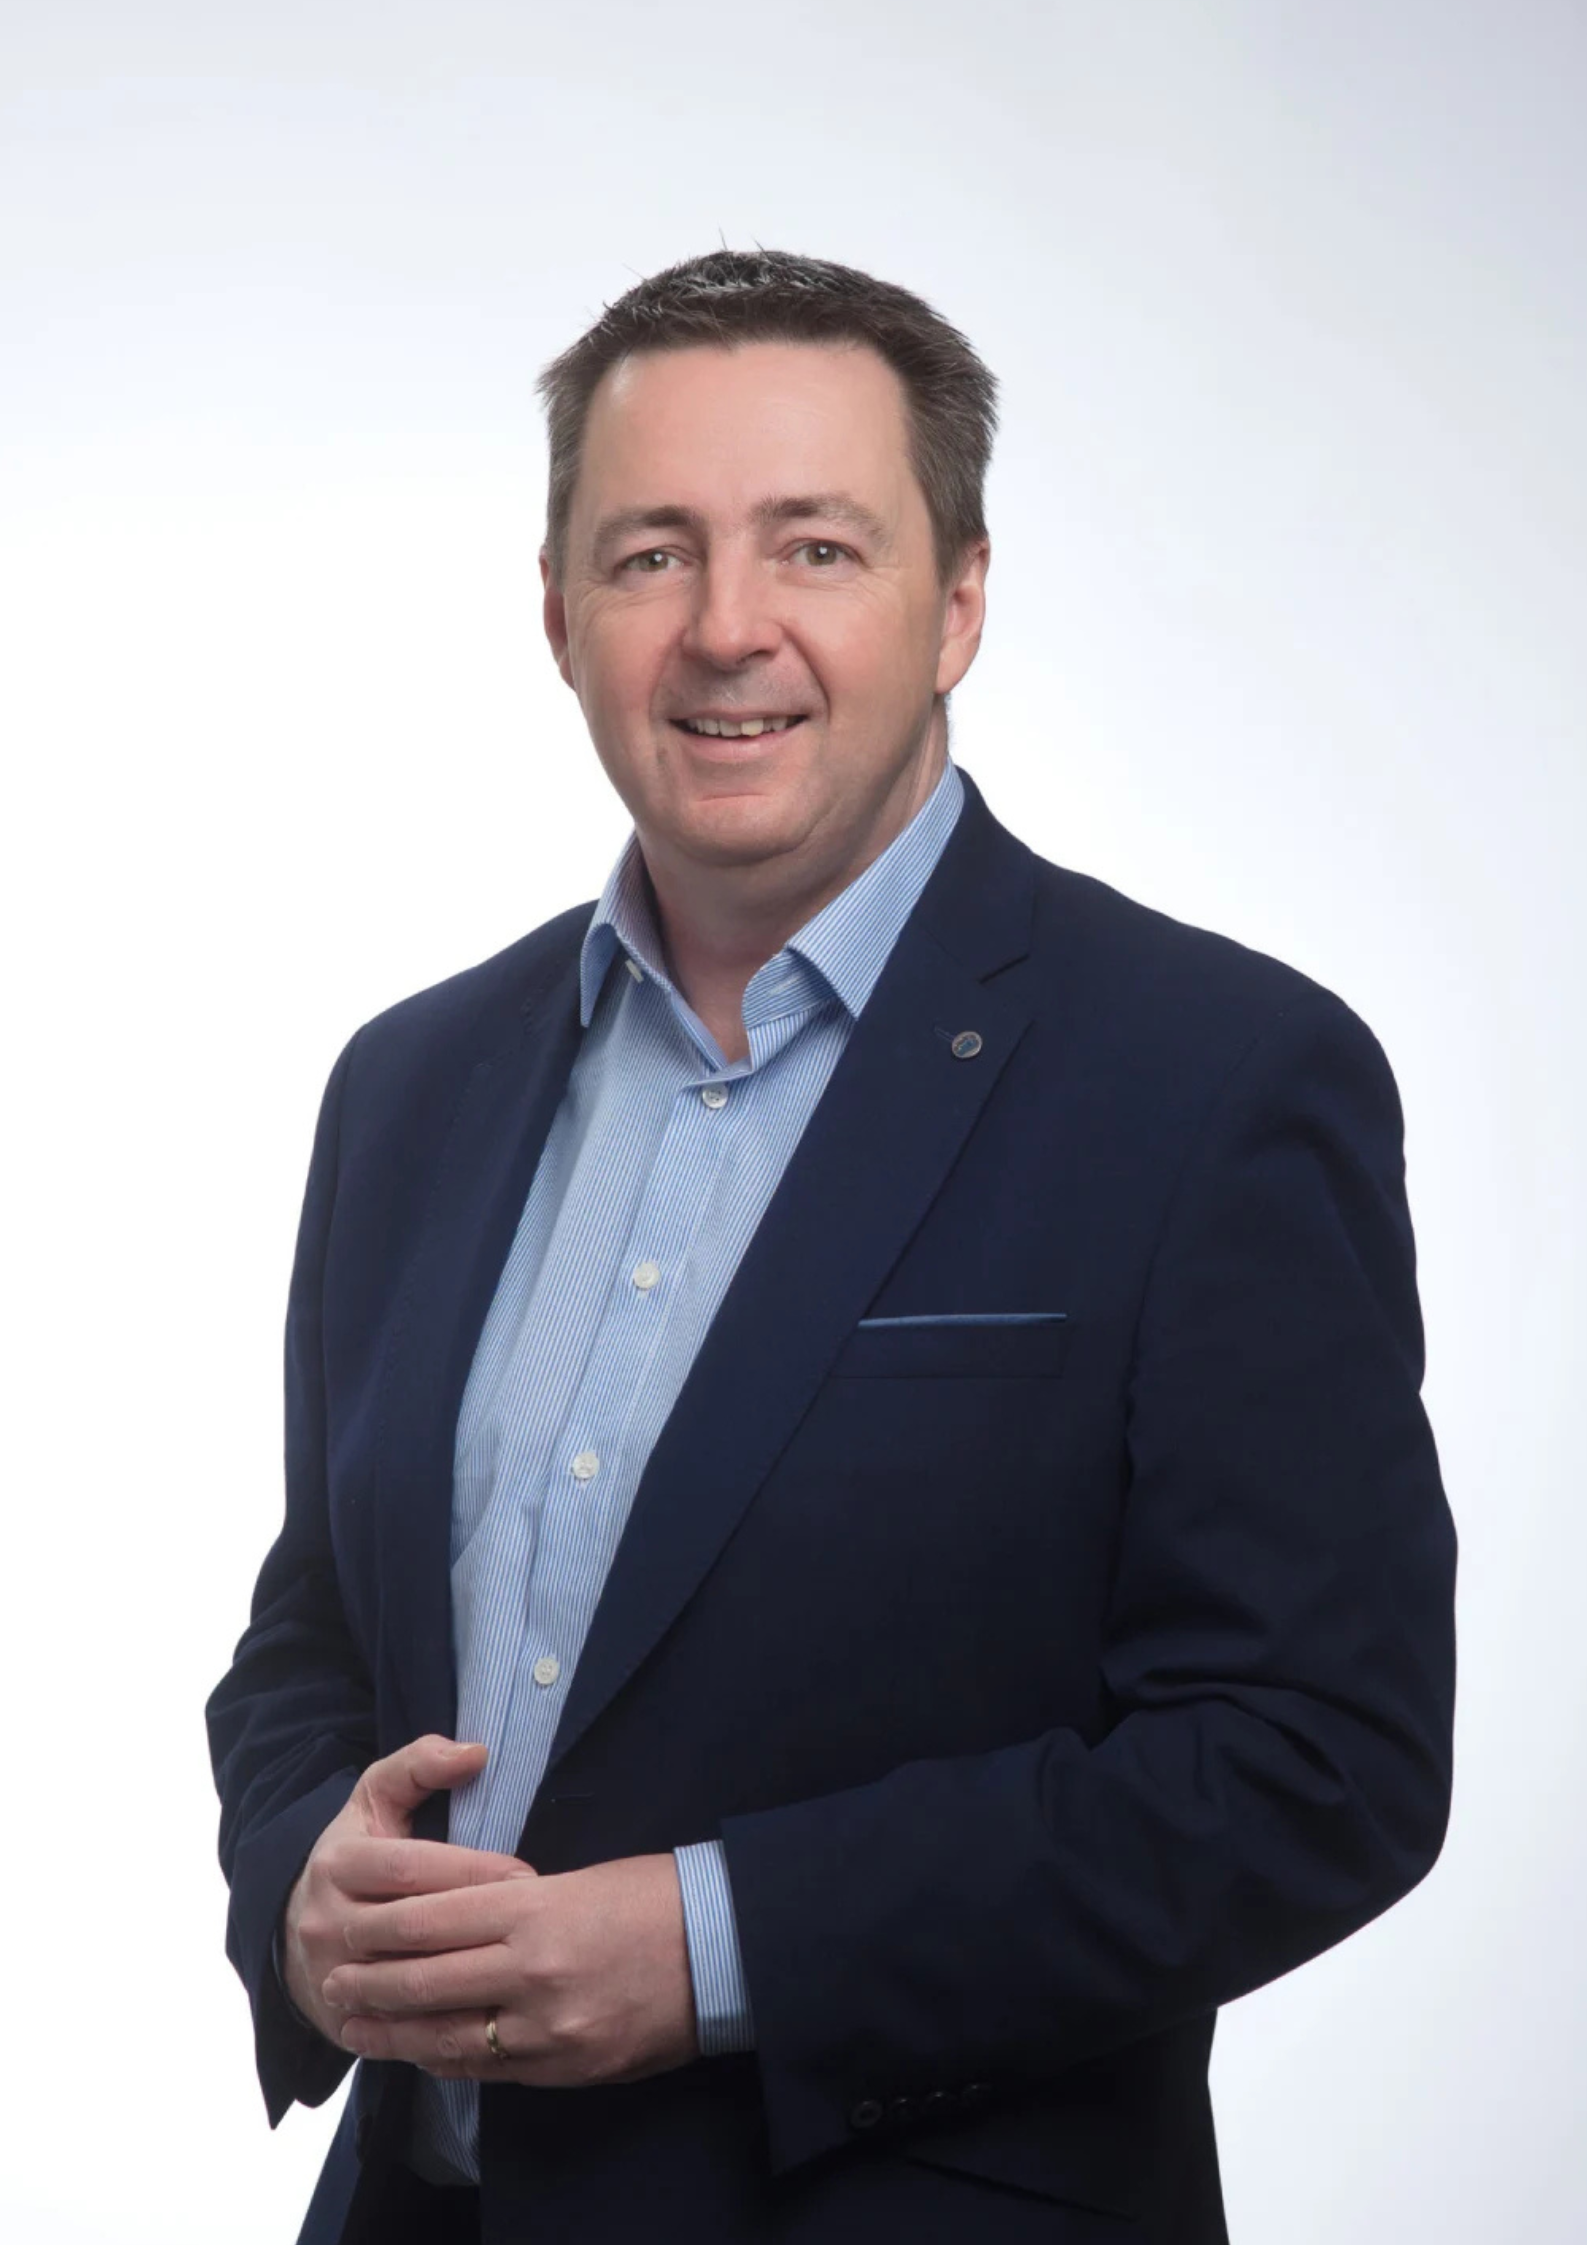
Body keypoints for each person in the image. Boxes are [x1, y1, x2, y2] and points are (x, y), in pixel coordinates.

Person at [207, 248, 1457, 2245]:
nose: (726, 632)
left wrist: (717, 1946)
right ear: (554, 612)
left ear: (957, 598)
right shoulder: (411, 1088)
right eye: (647, 555)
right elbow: (312, 1643)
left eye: (814, 547)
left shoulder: (1213, 1078)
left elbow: (1314, 1762)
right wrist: (301, 1885)